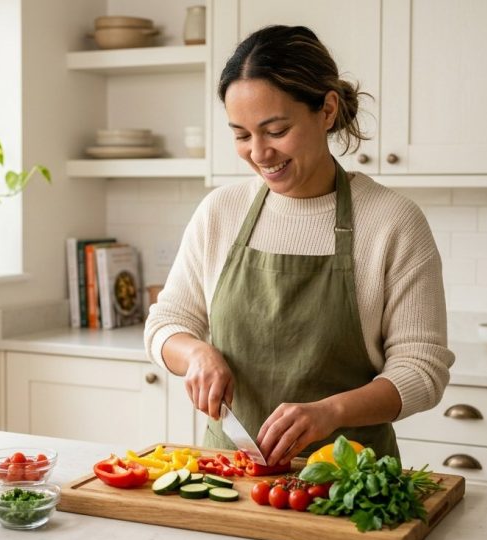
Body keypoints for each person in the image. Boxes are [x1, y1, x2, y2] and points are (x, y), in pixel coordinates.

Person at [144, 25, 454, 466]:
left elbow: (422, 369)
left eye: (275, 130)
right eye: (241, 135)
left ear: (326, 110)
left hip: (351, 485)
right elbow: (165, 324)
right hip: (230, 475)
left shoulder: (392, 222)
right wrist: (196, 354)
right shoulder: (221, 212)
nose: (259, 153)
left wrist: (332, 412)